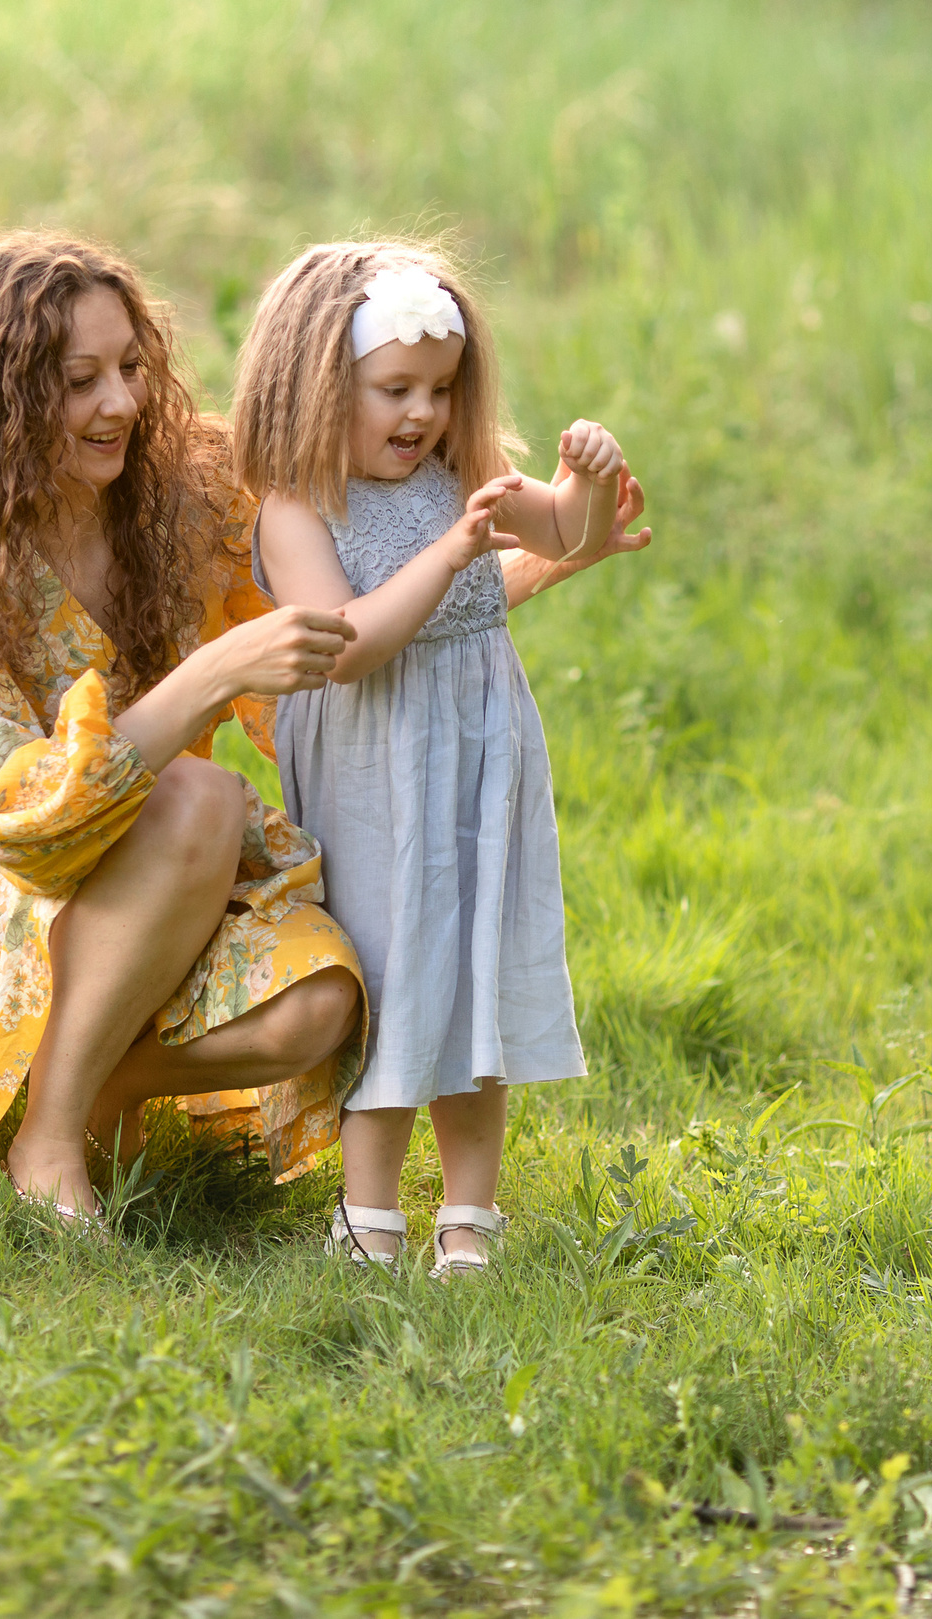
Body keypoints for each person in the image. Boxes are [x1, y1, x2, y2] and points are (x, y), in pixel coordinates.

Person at [0, 231, 647, 1222]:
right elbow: (23, 824)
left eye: (132, 368)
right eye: (80, 381)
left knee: (327, 1001)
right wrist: (210, 674)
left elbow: (352, 626)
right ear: (0, 402)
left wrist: (543, 559)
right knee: (197, 792)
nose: (121, 404)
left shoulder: (185, 491)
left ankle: (105, 1081)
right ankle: (49, 1135)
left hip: (172, 876)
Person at [238, 240, 630, 1276]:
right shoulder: (296, 507)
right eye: (395, 390)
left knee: (472, 961)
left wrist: (585, 483)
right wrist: (451, 552)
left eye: (442, 390)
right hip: (370, 757)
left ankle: (469, 1214)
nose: (423, 413)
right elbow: (348, 646)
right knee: (389, 961)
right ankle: (368, 1210)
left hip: (477, 747)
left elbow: (565, 530)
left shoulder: (461, 474)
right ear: (319, 386)